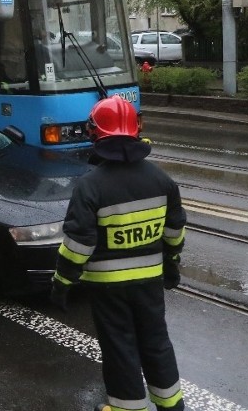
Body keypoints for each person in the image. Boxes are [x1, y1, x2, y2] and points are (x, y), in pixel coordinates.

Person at [51, 95, 186, 411]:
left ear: (95, 134)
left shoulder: (90, 185)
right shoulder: (162, 180)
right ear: (136, 131)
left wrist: (62, 282)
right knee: (156, 343)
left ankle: (128, 408)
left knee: (120, 347)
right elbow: (175, 232)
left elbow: (78, 246)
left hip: (108, 287)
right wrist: (172, 263)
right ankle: (172, 406)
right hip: (150, 282)